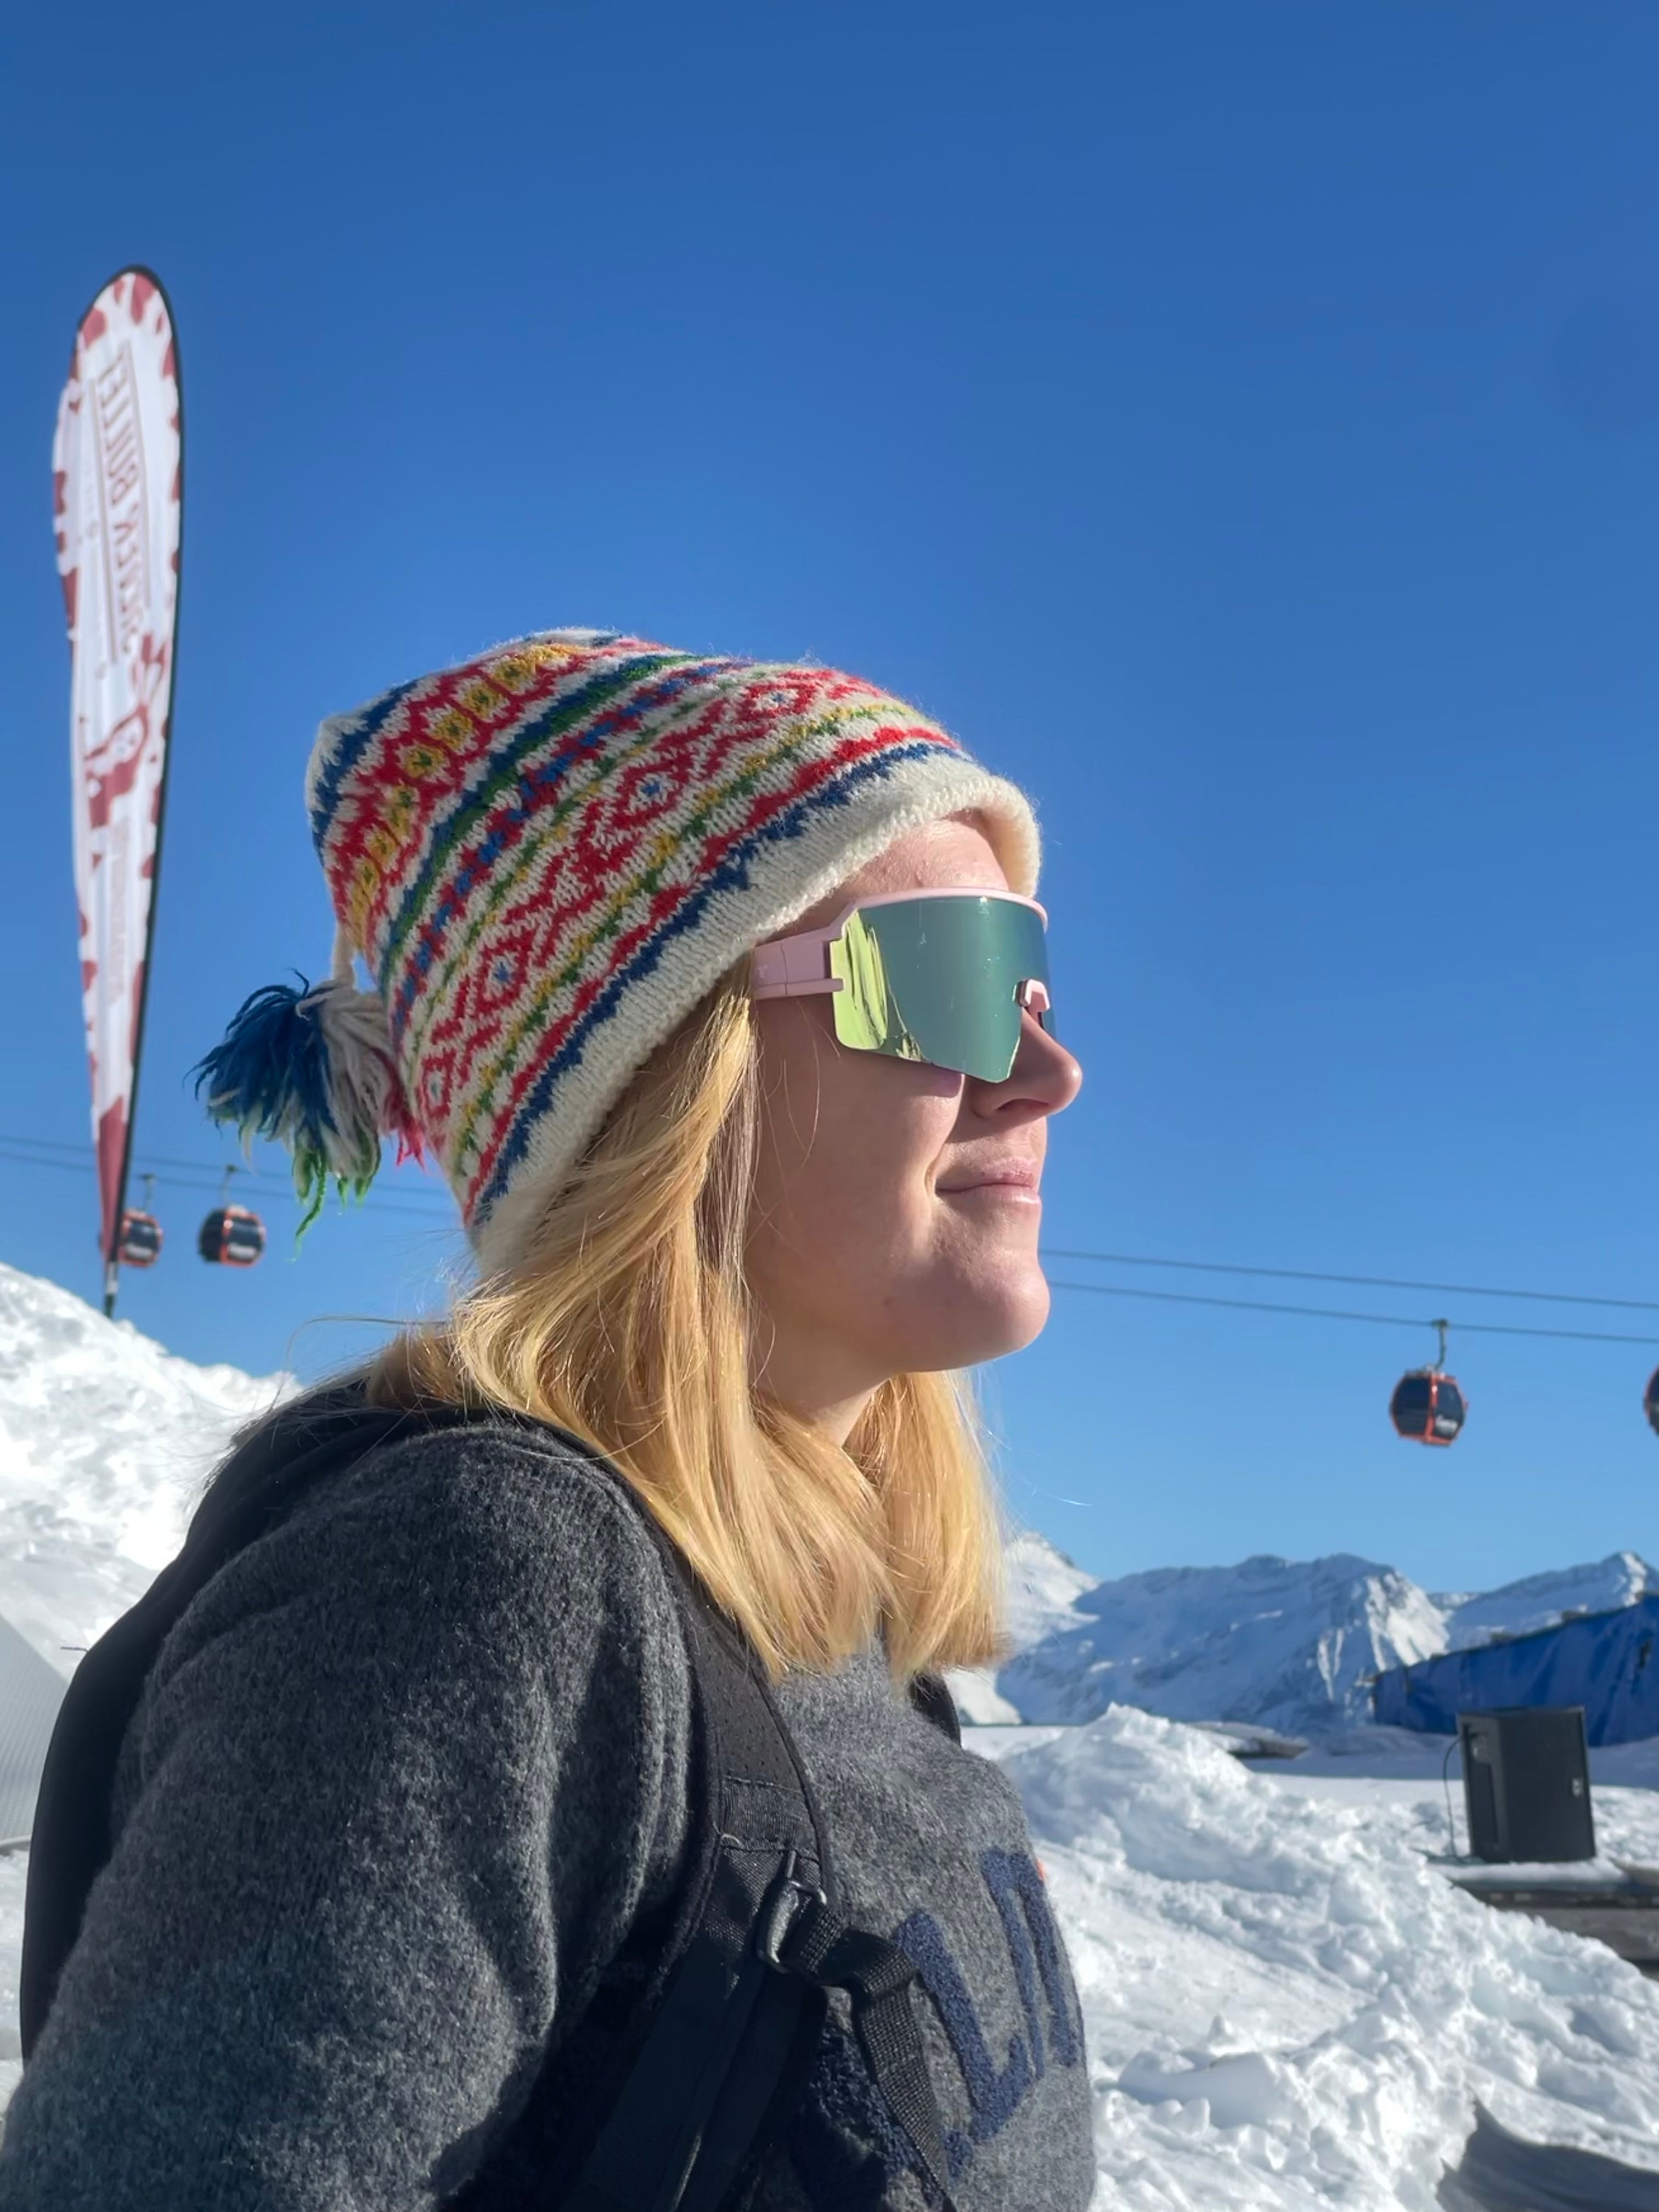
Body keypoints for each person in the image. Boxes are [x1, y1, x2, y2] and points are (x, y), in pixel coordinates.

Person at [0, 629, 1093, 2210]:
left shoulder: (848, 1647)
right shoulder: (476, 1589)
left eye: (1035, 978)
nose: (1046, 1070)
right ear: (664, 1075)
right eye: (953, 980)